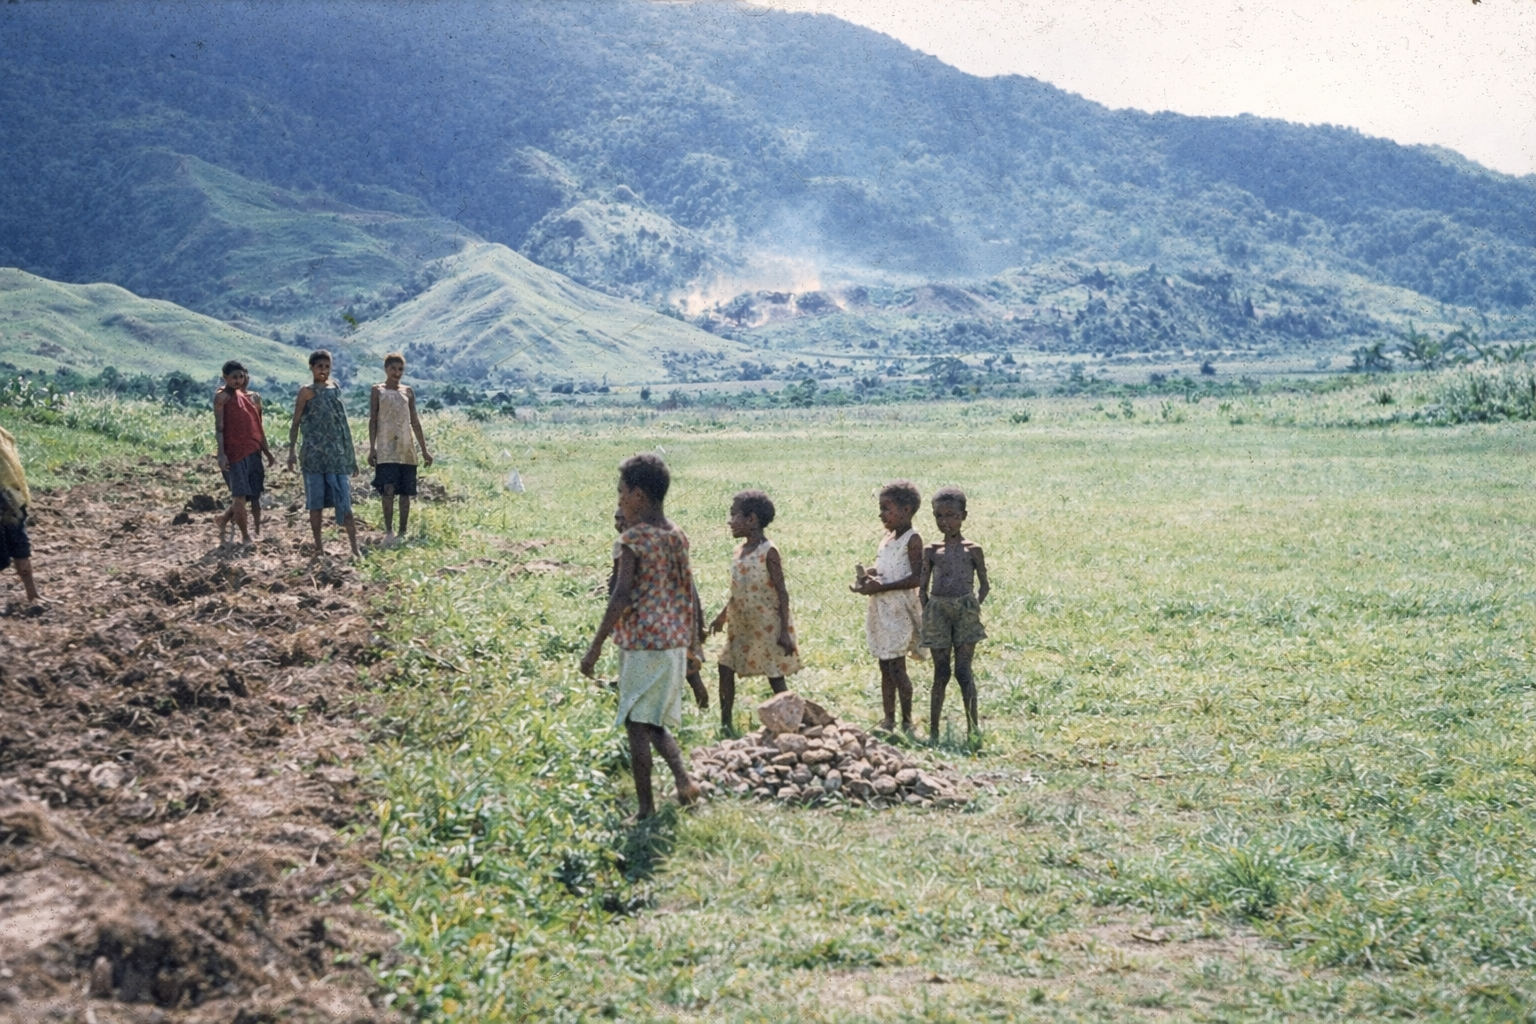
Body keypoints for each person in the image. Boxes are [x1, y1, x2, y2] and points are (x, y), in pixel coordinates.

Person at [580, 454, 701, 820]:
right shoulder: (676, 535)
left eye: (621, 492)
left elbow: (620, 593)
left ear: (639, 495)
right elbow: (688, 588)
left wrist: (595, 646)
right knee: (652, 722)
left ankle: (646, 809)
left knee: (636, 725)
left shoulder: (633, 539)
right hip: (673, 643)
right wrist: (694, 638)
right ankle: (684, 782)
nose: (618, 500)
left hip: (643, 643)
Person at [709, 489, 801, 733]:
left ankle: (793, 720)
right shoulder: (739, 551)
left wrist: (784, 631)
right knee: (725, 667)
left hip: (767, 625)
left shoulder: (768, 551)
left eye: (733, 515)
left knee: (774, 675)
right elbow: (737, 591)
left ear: (751, 520)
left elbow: (782, 592)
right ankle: (725, 724)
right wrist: (722, 616)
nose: (729, 521)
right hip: (741, 625)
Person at [851, 480, 925, 733]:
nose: (881, 514)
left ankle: (906, 720)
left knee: (897, 667)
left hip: (899, 610)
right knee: (885, 665)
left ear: (906, 510)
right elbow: (884, 569)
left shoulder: (913, 540)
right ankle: (888, 719)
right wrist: (867, 576)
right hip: (881, 609)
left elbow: (917, 578)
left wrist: (880, 587)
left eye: (886, 508)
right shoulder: (888, 538)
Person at [919, 486, 989, 743]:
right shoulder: (931, 550)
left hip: (965, 611)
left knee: (963, 671)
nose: (945, 522)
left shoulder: (973, 549)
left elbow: (985, 585)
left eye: (951, 516)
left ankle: (973, 729)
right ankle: (935, 732)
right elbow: (922, 586)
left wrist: (972, 605)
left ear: (964, 516)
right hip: (937, 611)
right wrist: (928, 607)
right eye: (939, 516)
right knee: (941, 672)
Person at [286, 350, 360, 559]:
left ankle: (354, 549)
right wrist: (291, 451)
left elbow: (342, 423)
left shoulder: (334, 389)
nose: (324, 371)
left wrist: (350, 457)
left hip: (335, 456)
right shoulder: (306, 392)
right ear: (311, 367)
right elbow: (296, 422)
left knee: (344, 501)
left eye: (327, 367)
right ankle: (319, 548)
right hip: (314, 456)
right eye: (320, 367)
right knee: (316, 504)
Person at [367, 353, 432, 545]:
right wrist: (372, 448)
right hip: (386, 448)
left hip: (406, 448)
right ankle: (389, 530)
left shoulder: (408, 391)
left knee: (405, 492)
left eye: (400, 369)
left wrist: (424, 450)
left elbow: (415, 421)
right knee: (388, 490)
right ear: (386, 369)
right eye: (393, 369)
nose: (397, 373)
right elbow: (373, 419)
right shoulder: (377, 390)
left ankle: (403, 532)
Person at [212, 360, 274, 547]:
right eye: (234, 377)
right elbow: (219, 428)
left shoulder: (250, 398)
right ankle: (245, 536)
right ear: (225, 378)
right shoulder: (222, 398)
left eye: (240, 377)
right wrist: (221, 454)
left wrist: (266, 451)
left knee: (249, 495)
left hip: (252, 450)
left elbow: (257, 427)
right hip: (233, 453)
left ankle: (224, 519)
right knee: (239, 496)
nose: (238, 381)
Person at [0, 425, 39, 604]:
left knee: (20, 545)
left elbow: (12, 466)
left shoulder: (3, 434)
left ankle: (33, 595)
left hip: (9, 496)